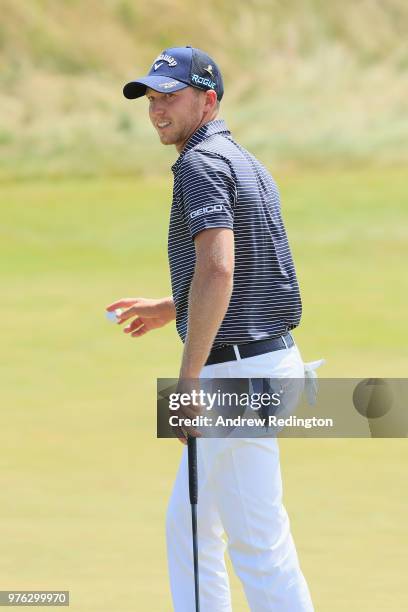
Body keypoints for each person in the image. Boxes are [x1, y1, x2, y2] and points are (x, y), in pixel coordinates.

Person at [107, 46, 314, 611]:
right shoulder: (243, 160)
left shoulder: (199, 165)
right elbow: (244, 273)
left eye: (170, 97)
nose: (156, 110)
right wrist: (173, 305)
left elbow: (219, 267)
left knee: (258, 546)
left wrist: (188, 380)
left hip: (238, 374)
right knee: (191, 524)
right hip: (266, 364)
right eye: (152, 98)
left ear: (208, 99)